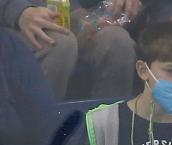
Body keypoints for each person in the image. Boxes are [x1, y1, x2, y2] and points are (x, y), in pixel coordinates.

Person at [2, 0, 138, 99]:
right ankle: (41, 133)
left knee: (117, 41)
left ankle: (109, 129)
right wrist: (18, 11)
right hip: (13, 17)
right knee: (60, 43)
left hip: (72, 10)